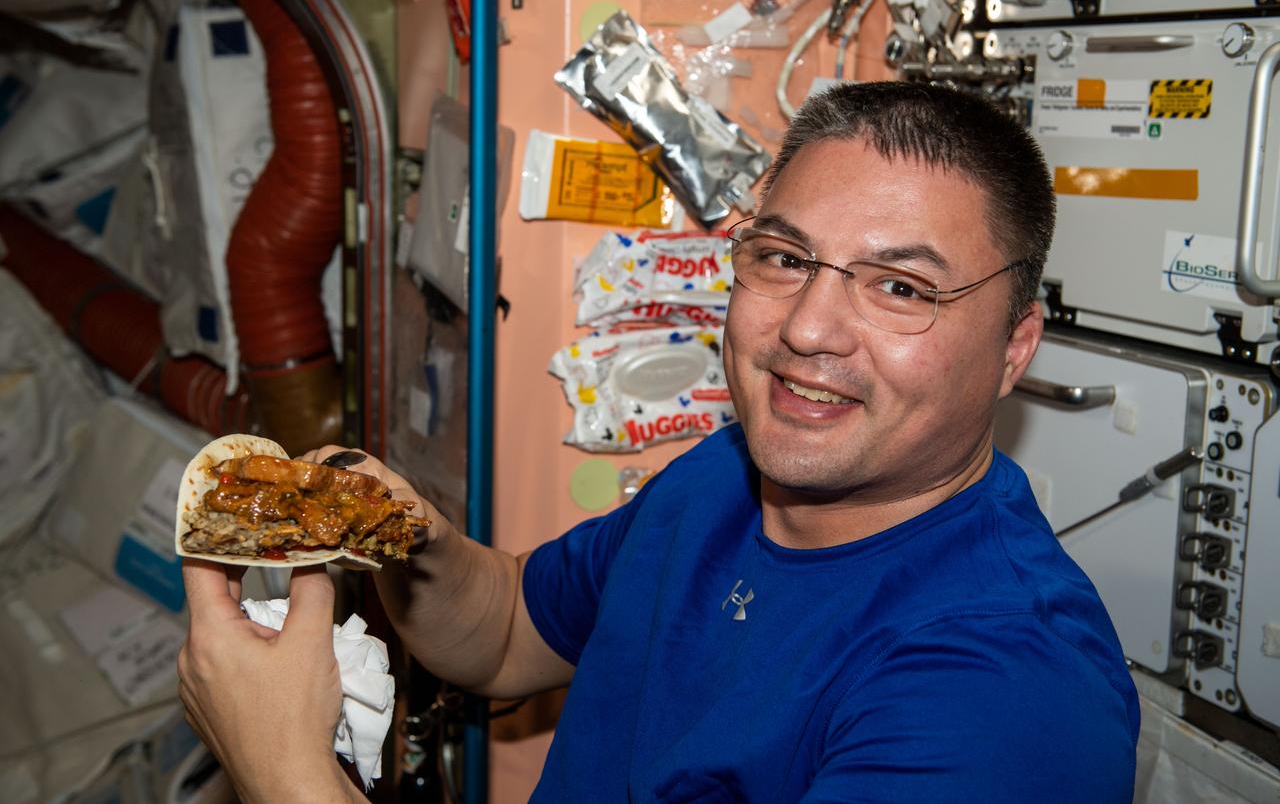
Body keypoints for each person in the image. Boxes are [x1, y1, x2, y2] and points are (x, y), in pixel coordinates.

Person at [179, 81, 1140, 802]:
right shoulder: (727, 475)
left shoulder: (1003, 686)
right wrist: (410, 536)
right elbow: (514, 626)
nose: (808, 328)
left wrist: (285, 772)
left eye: (900, 287)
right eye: (785, 258)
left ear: (1016, 345)